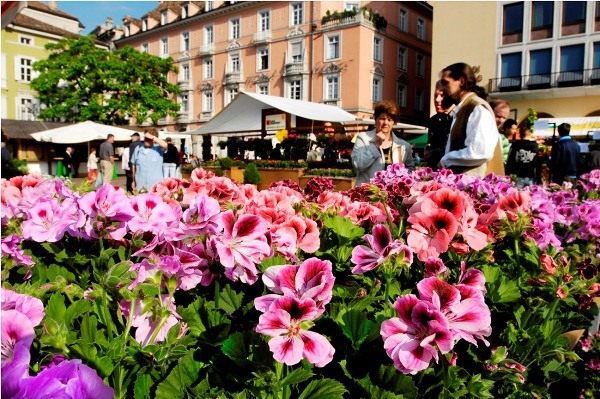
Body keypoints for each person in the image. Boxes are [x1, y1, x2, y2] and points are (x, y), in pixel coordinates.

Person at [438, 62, 504, 177]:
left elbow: (480, 151)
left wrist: (446, 160)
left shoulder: (477, 108)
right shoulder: (465, 109)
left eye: (445, 83)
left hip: (477, 189)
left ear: (462, 81)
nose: (442, 89)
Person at [352, 100, 415, 186]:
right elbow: (357, 165)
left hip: (392, 196)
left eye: (390, 120)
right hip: (368, 195)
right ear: (375, 119)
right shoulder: (363, 139)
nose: (386, 123)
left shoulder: (404, 146)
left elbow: (411, 171)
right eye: (382, 118)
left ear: (394, 122)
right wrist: (376, 145)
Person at [425, 80, 454, 170]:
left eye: (442, 95)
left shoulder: (459, 118)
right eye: (435, 96)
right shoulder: (433, 120)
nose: (437, 100)